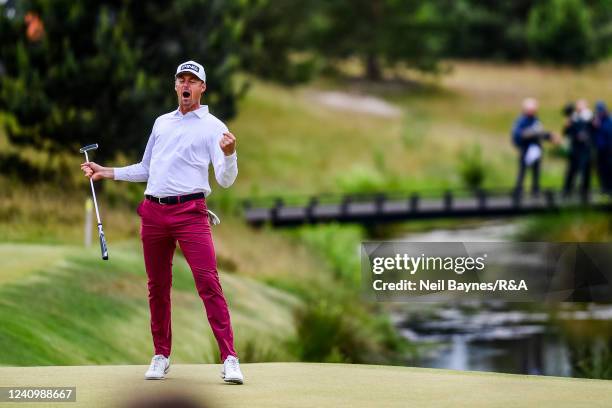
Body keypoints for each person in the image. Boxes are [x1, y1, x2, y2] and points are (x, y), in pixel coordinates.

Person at [80, 60, 244, 384]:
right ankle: (161, 355)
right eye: (181, 79)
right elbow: (146, 168)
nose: (186, 85)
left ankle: (229, 358)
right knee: (157, 287)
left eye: (192, 81)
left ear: (202, 88)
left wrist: (231, 154)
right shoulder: (161, 123)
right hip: (153, 213)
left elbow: (225, 180)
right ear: (175, 86)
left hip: (190, 214)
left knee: (208, 283)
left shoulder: (214, 127)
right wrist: (107, 172)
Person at [511, 98, 556, 196]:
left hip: (536, 149)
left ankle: (535, 191)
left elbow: (540, 133)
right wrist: (530, 134)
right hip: (526, 149)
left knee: (536, 172)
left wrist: (549, 136)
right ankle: (518, 191)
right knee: (522, 171)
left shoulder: (535, 120)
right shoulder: (521, 121)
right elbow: (518, 134)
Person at [562, 99, 593, 197]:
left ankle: (584, 192)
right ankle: (567, 191)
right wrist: (567, 126)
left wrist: (587, 136)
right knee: (572, 170)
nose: (579, 108)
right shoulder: (573, 118)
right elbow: (566, 133)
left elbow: (594, 131)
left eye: (582, 106)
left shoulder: (590, 118)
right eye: (578, 106)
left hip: (585, 149)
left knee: (585, 171)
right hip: (575, 148)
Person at [592, 101, 612, 194]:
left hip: (609, 150)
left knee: (609, 169)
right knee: (601, 169)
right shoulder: (597, 121)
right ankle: (604, 188)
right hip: (600, 150)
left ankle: (609, 188)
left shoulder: (609, 121)